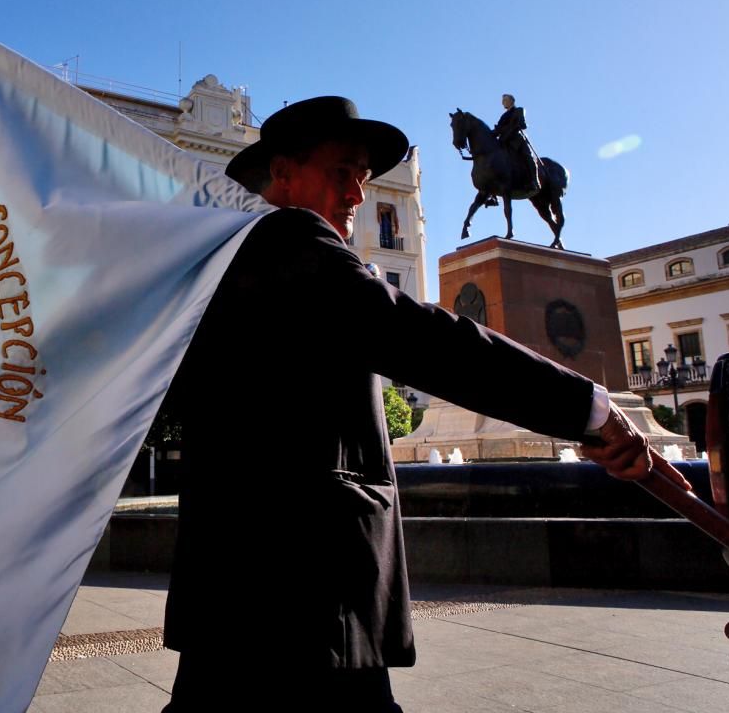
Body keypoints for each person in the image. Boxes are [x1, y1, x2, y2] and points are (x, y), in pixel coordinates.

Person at [159, 97, 686, 711]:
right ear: (283, 173)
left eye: (364, 174)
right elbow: (427, 340)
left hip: (244, 588)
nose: (359, 192)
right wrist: (588, 409)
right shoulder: (292, 244)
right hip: (305, 591)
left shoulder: (235, 262)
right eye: (342, 171)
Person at [493, 93, 539, 194]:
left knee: (528, 157)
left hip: (517, 140)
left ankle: (534, 181)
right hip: (504, 142)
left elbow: (522, 124)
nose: (503, 103)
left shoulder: (519, 110)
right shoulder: (503, 116)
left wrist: (516, 125)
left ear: (512, 101)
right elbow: (497, 131)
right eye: (502, 101)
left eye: (505, 100)